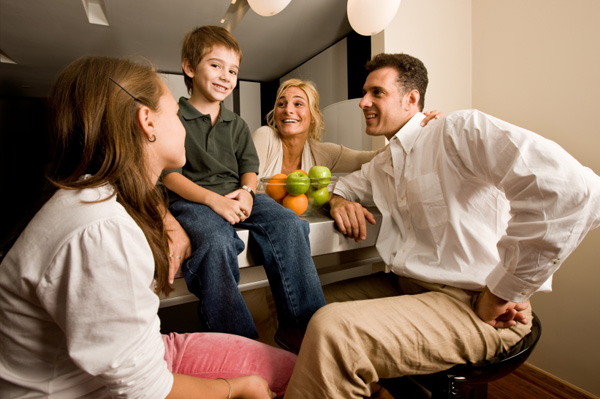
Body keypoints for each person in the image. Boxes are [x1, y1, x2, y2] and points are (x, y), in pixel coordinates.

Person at [283, 53, 600, 398]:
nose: (363, 102)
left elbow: (573, 191)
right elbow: (338, 187)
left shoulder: (458, 130)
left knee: (334, 330)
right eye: (365, 93)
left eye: (377, 93)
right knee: (302, 302)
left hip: (479, 305)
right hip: (410, 286)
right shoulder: (385, 162)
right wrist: (339, 201)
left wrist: (504, 290)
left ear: (412, 99)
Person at [0, 56, 296, 398]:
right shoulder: (101, 229)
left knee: (290, 367)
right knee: (275, 381)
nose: (183, 125)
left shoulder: (101, 198)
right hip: (85, 389)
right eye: (173, 114)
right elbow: (145, 390)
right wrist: (237, 388)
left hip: (139, 355)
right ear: (147, 122)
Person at [161, 26, 325, 353]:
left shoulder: (235, 124)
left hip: (237, 195)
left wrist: (248, 193)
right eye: (216, 66)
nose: (226, 76)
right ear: (189, 68)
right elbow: (169, 176)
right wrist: (214, 201)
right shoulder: (173, 117)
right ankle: (241, 349)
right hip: (193, 201)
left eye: (233, 70)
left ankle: (301, 329)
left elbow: (249, 170)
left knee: (291, 225)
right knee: (216, 243)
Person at [252, 78, 442, 179]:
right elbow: (249, 190)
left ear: (313, 115)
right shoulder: (265, 137)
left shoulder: (323, 154)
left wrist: (415, 128)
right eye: (282, 104)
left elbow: (372, 158)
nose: (288, 111)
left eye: (298, 104)